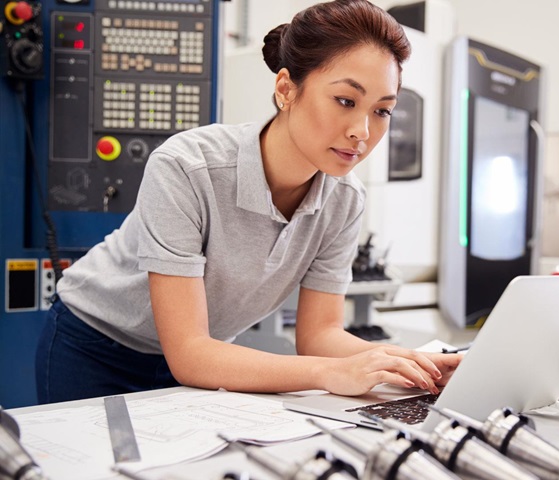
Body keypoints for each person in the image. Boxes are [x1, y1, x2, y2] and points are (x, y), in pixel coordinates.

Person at [35, 0, 462, 404]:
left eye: (382, 111)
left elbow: (319, 335)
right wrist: (327, 374)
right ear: (286, 89)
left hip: (211, 361)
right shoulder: (187, 167)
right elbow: (189, 354)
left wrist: (407, 364)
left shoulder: (344, 199)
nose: (362, 131)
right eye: (346, 101)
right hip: (96, 345)